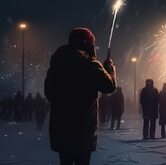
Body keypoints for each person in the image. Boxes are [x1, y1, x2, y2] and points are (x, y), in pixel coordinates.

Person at [44, 27, 116, 165]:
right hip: (83, 132)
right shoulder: (90, 64)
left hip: (61, 129)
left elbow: (49, 93)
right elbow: (109, 86)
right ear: (86, 44)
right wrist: (109, 67)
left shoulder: (57, 64)